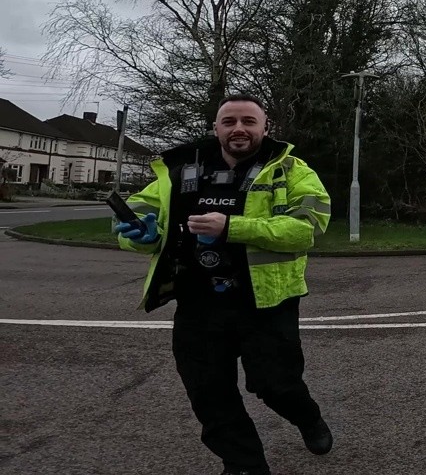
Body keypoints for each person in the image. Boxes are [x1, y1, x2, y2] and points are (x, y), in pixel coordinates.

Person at [115, 94, 333, 475]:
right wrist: (141, 235)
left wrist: (231, 227)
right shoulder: (181, 169)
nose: (239, 129)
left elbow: (306, 229)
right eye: (229, 121)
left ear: (265, 127)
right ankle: (244, 464)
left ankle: (308, 418)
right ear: (215, 127)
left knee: (277, 385)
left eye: (249, 121)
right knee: (208, 392)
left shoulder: (290, 170)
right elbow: (135, 215)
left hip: (267, 303)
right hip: (197, 303)